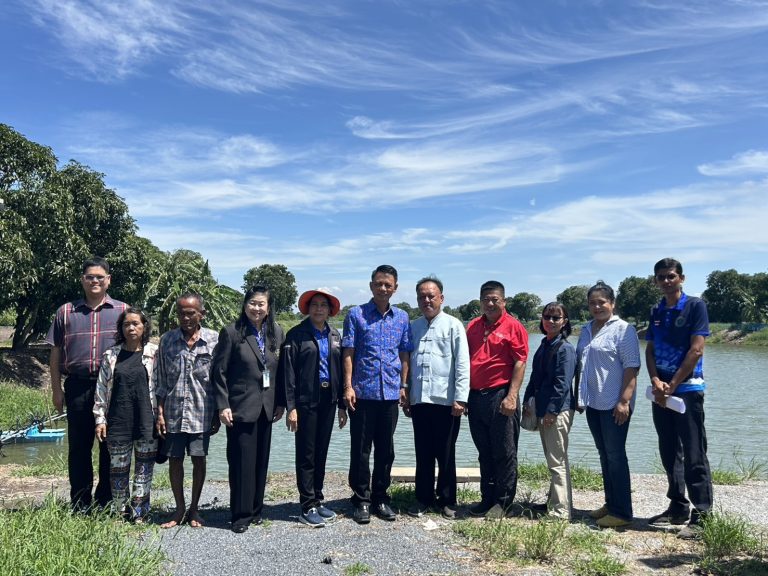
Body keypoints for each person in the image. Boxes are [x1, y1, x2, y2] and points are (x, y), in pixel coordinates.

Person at [46, 256, 128, 511]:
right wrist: (57, 390)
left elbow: (133, 348)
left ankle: (104, 501)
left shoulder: (123, 311)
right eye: (90, 277)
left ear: (108, 280)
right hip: (77, 386)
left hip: (112, 388)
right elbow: (55, 352)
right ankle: (80, 503)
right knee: (79, 447)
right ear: (82, 280)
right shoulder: (66, 312)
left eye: (100, 277)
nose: (95, 281)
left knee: (108, 446)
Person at [645, 258, 713, 540]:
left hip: (687, 391)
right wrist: (655, 380)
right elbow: (649, 349)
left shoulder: (695, 306)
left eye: (671, 276)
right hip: (661, 392)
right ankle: (677, 506)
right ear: (656, 281)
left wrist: (672, 384)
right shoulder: (656, 310)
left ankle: (703, 513)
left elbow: (697, 350)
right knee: (669, 449)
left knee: (694, 451)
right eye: (661, 277)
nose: (666, 281)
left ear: (681, 278)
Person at [212, 285, 285, 533]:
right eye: (252, 303)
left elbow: (280, 371)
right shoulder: (232, 332)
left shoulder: (276, 332)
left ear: (268, 307)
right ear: (245, 305)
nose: (256, 308)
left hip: (267, 407)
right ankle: (240, 515)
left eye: (261, 304)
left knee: (260, 461)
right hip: (240, 406)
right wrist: (222, 405)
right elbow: (218, 372)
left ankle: (255, 510)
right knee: (241, 462)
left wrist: (281, 403)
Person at [343, 264, 413, 524]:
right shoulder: (356, 314)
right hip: (362, 393)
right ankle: (361, 499)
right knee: (360, 449)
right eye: (379, 283)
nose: (383, 288)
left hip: (390, 394)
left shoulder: (402, 317)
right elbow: (348, 352)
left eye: (388, 285)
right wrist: (348, 387)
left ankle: (381, 496)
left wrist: (403, 386)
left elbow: (404, 353)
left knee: (386, 449)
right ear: (371, 285)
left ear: (395, 288)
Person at [277, 289, 347, 527]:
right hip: (305, 401)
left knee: (321, 453)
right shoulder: (296, 335)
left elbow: (339, 369)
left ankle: (318, 498)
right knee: (306, 455)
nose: (319, 309)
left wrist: (341, 405)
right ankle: (306, 505)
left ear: (329, 310)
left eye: (323, 305)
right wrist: (291, 407)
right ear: (308, 309)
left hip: (329, 400)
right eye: (315, 305)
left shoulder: (334, 334)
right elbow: (287, 374)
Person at [404, 276, 469, 520]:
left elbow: (463, 363)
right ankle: (422, 498)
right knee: (423, 452)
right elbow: (407, 362)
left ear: (441, 297)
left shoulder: (453, 325)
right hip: (420, 400)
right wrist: (407, 393)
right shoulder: (413, 326)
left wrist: (461, 398)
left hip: (446, 401)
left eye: (432, 296)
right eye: (422, 296)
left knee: (446, 452)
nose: (427, 300)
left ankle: (448, 499)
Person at [576, 281, 640, 528]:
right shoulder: (586, 329)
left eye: (602, 302)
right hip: (594, 403)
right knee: (604, 455)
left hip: (615, 403)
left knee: (616, 456)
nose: (597, 306)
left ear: (612, 303)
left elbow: (632, 366)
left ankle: (622, 512)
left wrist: (624, 401)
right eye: (592, 302)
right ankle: (611, 503)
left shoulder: (624, 330)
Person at [154, 293, 219, 529]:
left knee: (199, 460)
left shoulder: (214, 340)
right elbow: (160, 380)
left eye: (191, 313)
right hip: (173, 412)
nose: (186, 317)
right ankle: (179, 508)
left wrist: (218, 413)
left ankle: (195, 508)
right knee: (175, 460)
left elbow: (217, 381)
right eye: (181, 313)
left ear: (201, 313)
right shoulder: (167, 341)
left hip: (202, 412)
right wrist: (159, 413)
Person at [466, 280, 529, 519]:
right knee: (485, 450)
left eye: (495, 299)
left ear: (504, 301)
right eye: (486, 300)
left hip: (501, 395)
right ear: (480, 301)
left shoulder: (514, 326)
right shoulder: (472, 326)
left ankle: (503, 502)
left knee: (504, 451)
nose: (490, 304)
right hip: (476, 396)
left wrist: (512, 396)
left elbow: (520, 362)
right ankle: (487, 499)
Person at [93, 308, 158, 522]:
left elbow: (161, 387)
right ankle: (121, 513)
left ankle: (140, 514)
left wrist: (161, 417)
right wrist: (100, 419)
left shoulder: (154, 353)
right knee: (118, 471)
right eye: (126, 324)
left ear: (144, 327)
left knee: (144, 470)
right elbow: (101, 389)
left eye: (136, 324)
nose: (131, 328)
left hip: (146, 420)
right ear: (121, 328)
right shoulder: (111, 355)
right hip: (118, 421)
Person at [522, 302, 577, 520]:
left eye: (556, 318)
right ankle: (553, 502)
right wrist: (527, 401)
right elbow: (535, 378)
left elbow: (562, 384)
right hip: (544, 409)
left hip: (558, 411)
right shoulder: (545, 344)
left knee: (557, 462)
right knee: (552, 459)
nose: (551, 321)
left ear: (565, 321)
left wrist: (552, 412)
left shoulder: (565, 349)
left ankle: (561, 511)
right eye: (547, 317)